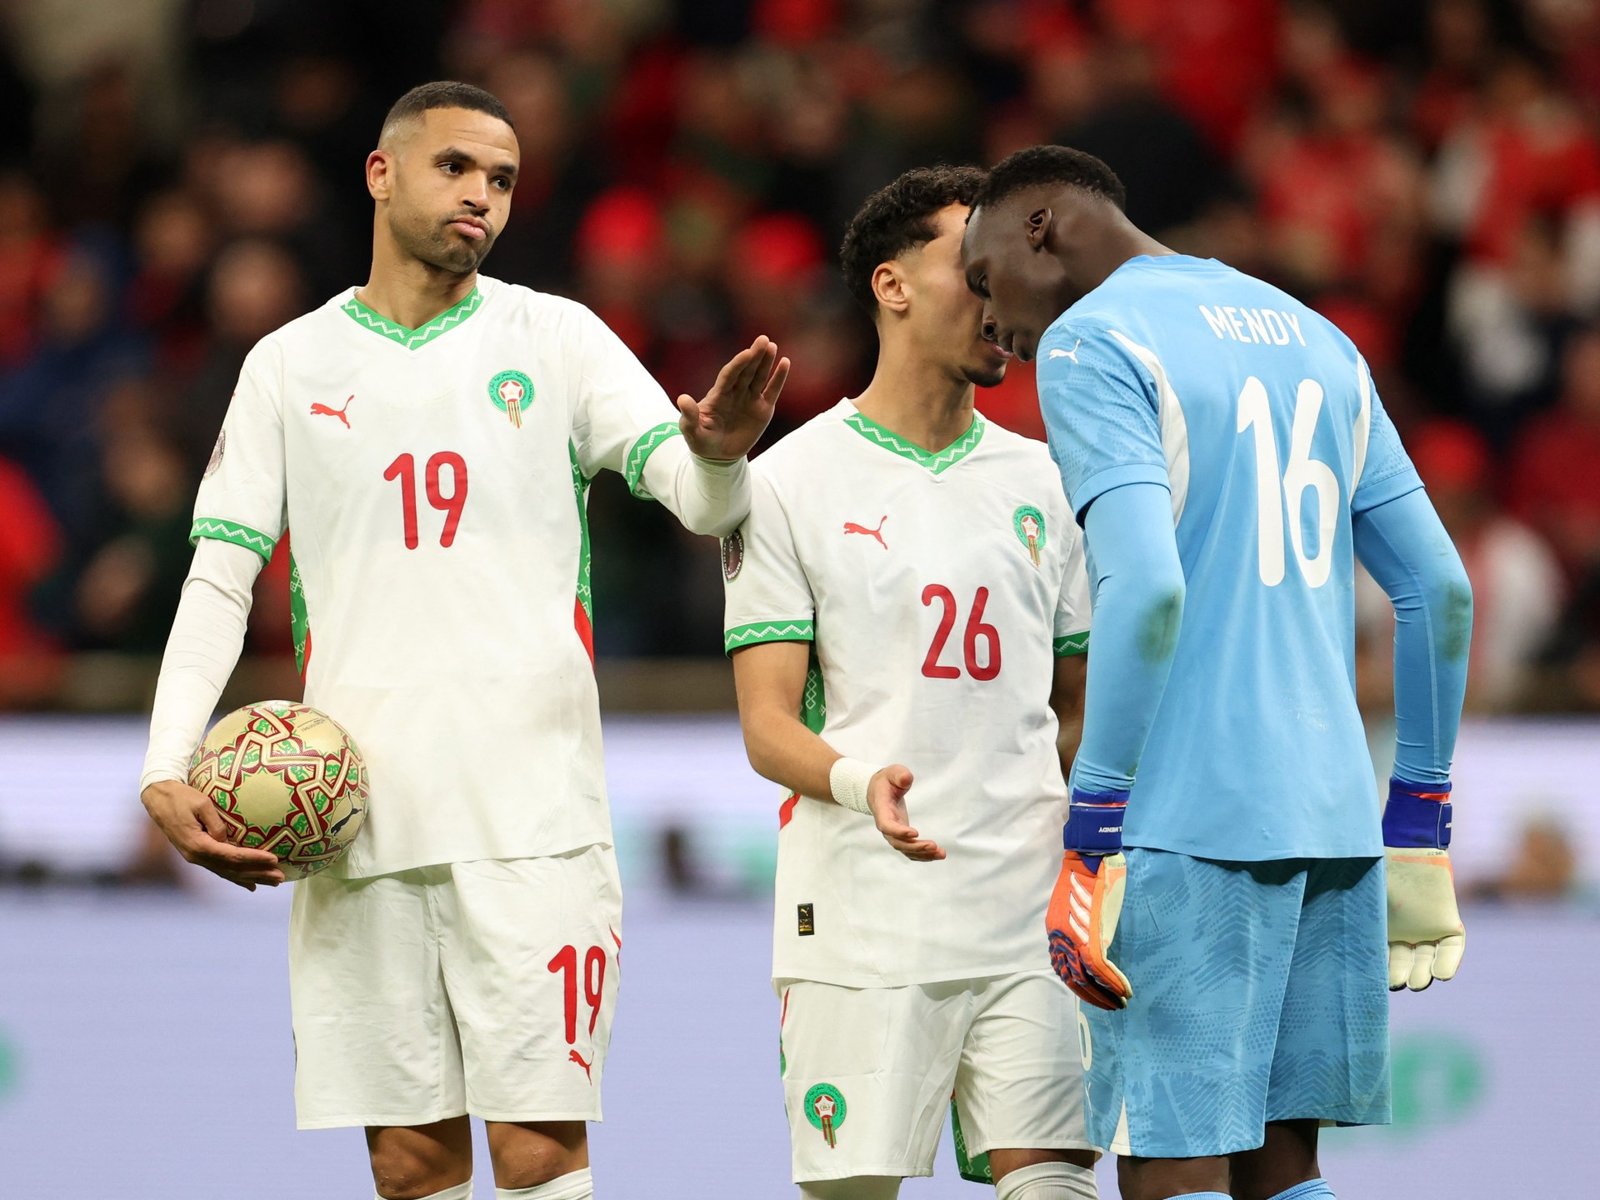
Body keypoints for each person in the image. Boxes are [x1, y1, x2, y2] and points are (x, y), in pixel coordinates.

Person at [137, 82, 788, 1200]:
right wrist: (163, 761)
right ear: (381, 173)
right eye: (455, 167)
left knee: (538, 1151)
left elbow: (697, 500)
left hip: (533, 817)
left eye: (502, 180)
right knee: (407, 1165)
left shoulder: (558, 336)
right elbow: (219, 574)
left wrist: (723, 453)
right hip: (354, 816)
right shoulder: (288, 364)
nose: (481, 195)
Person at [961, 145, 1472, 1200]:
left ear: (1039, 227)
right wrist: (1419, 817)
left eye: (982, 274)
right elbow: (1440, 590)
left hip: (1187, 821)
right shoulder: (1319, 338)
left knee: (1175, 1164)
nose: (989, 318)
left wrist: (1094, 823)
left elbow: (1148, 589)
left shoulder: (1094, 340)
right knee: (1285, 1169)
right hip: (1333, 822)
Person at [723, 165, 1099, 1200]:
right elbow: (766, 725)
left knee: (1055, 1184)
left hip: (1029, 913)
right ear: (890, 286)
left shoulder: (1049, 480)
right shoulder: (785, 482)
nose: (1003, 293)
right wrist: (863, 785)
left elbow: (1078, 711)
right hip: (862, 915)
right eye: (975, 269)